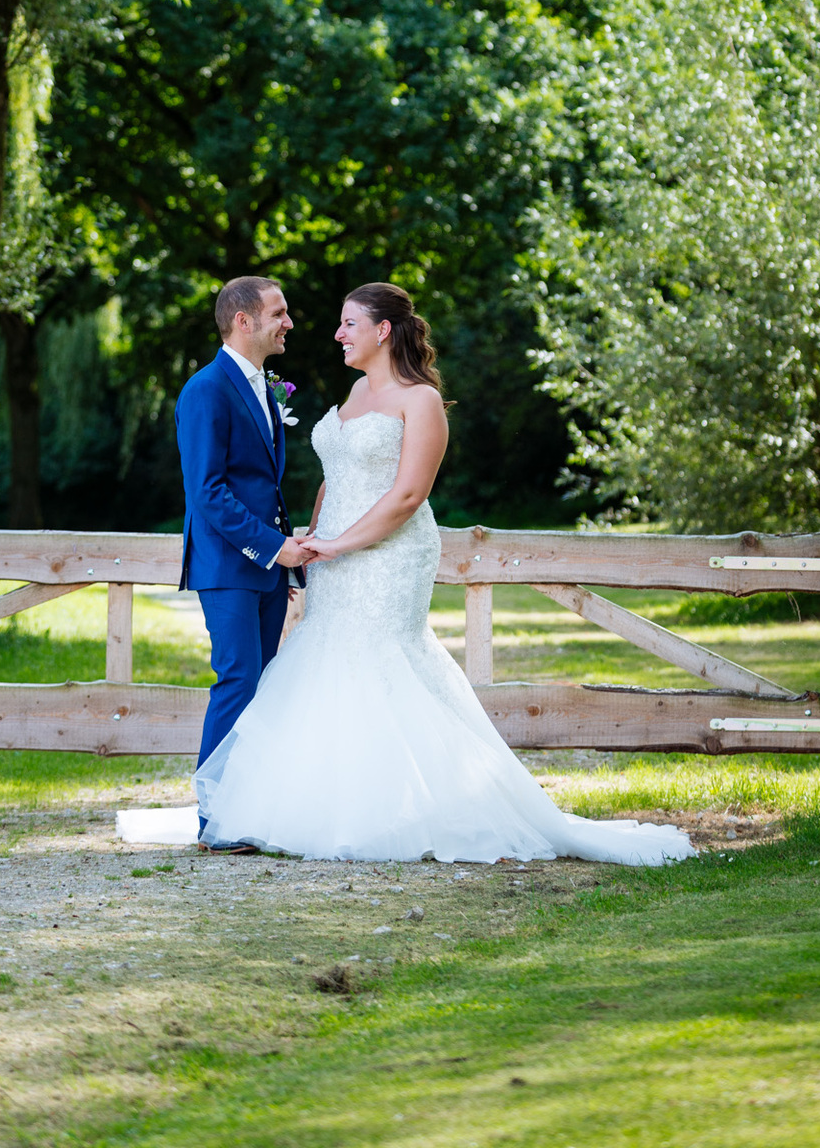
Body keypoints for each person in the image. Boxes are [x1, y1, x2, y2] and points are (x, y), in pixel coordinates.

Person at [191, 282, 696, 866]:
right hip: (331, 556)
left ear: (383, 330)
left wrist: (337, 544)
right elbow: (333, 480)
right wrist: (309, 542)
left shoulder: (421, 401)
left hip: (388, 556)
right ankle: (311, 806)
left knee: (382, 662)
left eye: (348, 323)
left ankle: (414, 809)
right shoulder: (353, 392)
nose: (335, 333)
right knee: (324, 668)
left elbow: (408, 495)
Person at [173, 275, 308, 851]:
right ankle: (214, 823)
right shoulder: (205, 390)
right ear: (244, 321)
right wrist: (273, 546)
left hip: (266, 567)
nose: (289, 322)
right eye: (279, 313)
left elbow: (260, 484)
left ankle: (250, 811)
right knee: (237, 683)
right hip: (231, 565)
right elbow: (208, 492)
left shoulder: (261, 386)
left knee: (261, 689)